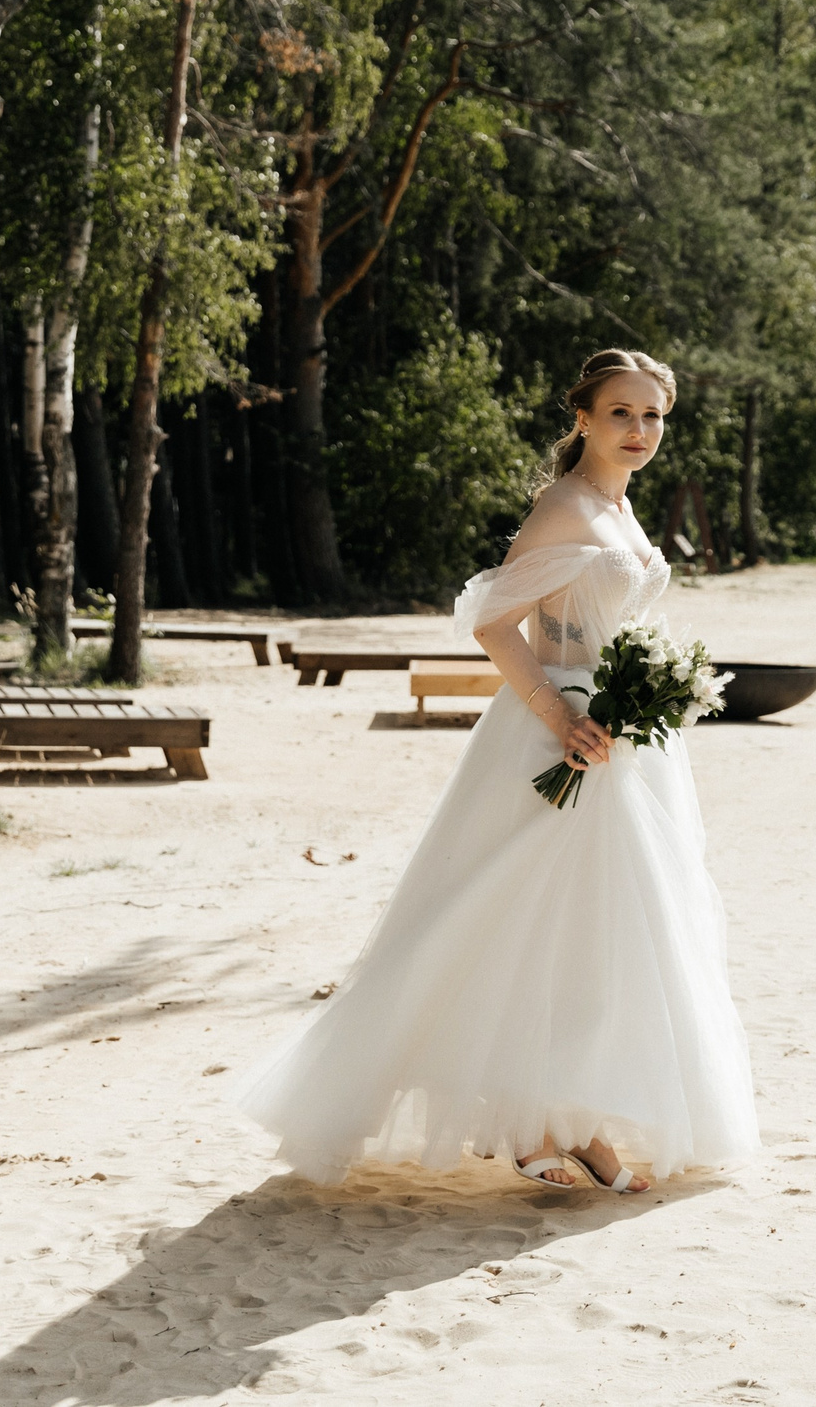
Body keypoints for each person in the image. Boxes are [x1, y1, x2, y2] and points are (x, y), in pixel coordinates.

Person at [237, 348, 758, 1193]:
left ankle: (579, 1122)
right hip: (559, 733)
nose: (638, 430)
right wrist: (561, 715)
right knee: (512, 921)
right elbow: (492, 620)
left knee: (607, 931)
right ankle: (532, 1124)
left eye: (652, 415)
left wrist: (643, 695)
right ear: (582, 417)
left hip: (625, 740)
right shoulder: (563, 505)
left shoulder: (620, 509)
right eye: (620, 412)